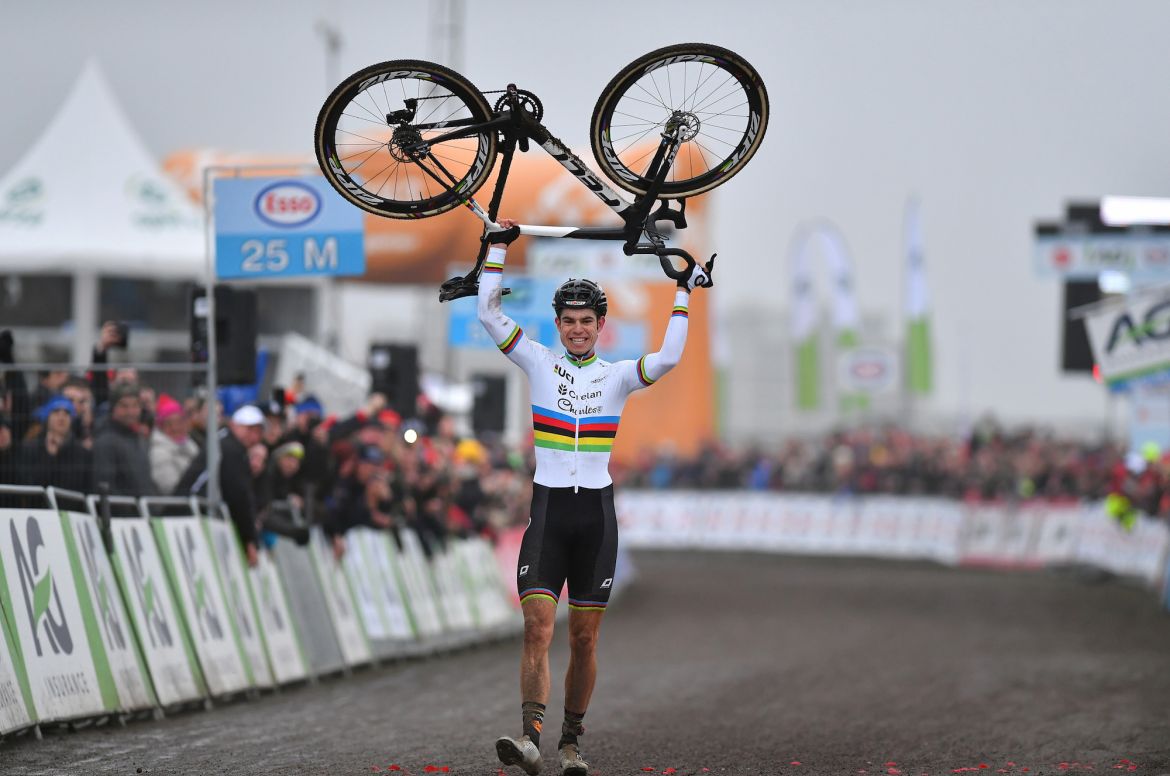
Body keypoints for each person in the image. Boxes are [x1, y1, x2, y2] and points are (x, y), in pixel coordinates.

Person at [479, 220, 712, 775]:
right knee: (538, 626)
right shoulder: (538, 360)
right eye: (569, 322)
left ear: (601, 325)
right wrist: (496, 247)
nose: (578, 330)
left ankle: (571, 743)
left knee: (583, 639)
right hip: (549, 512)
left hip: (596, 518)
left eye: (587, 321)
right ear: (557, 324)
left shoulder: (618, 376)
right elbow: (490, 314)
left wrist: (683, 292)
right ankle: (531, 735)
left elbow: (670, 358)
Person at [175, 404, 265, 567]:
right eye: (249, 429)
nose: (253, 436)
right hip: (191, 512)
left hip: (195, 511)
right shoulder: (231, 449)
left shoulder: (225, 442)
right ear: (234, 425)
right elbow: (238, 495)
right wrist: (249, 539)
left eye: (257, 431)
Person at [93, 383, 158, 497]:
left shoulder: (139, 439)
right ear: (113, 408)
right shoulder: (105, 442)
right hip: (124, 513)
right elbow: (106, 488)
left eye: (135, 405)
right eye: (124, 406)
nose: (130, 412)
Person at [19, 396, 92, 492]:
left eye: (66, 413)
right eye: (56, 412)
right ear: (47, 416)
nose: (61, 418)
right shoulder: (30, 448)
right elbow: (28, 485)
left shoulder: (83, 453)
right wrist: (49, 457)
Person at [149, 394, 199, 494]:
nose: (175, 428)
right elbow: (171, 487)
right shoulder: (159, 452)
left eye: (179, 422)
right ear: (161, 426)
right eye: (169, 424)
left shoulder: (192, 446)